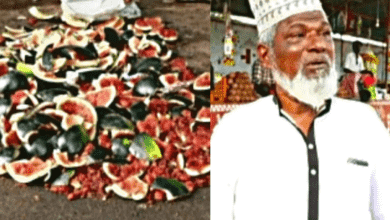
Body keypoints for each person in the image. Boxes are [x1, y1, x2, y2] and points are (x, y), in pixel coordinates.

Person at [210, 0, 390, 219]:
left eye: (325, 34)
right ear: (266, 55)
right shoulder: (234, 130)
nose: (319, 45)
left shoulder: (365, 123)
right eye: (298, 35)